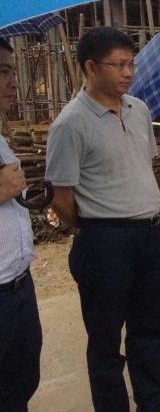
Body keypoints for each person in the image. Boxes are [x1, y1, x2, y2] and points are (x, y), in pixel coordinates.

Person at [45, 27, 160, 412]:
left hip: (148, 236)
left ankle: (153, 401)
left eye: (132, 64)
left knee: (151, 328)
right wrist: (97, 227)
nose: (129, 72)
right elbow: (61, 196)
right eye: (119, 65)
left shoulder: (138, 109)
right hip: (104, 242)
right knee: (105, 340)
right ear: (91, 67)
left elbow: (138, 167)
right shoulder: (70, 124)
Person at [0, 38, 42, 411]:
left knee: (20, 385)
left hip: (18, 286)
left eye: (12, 71)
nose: (13, 82)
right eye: (2, 72)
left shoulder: (0, 139)